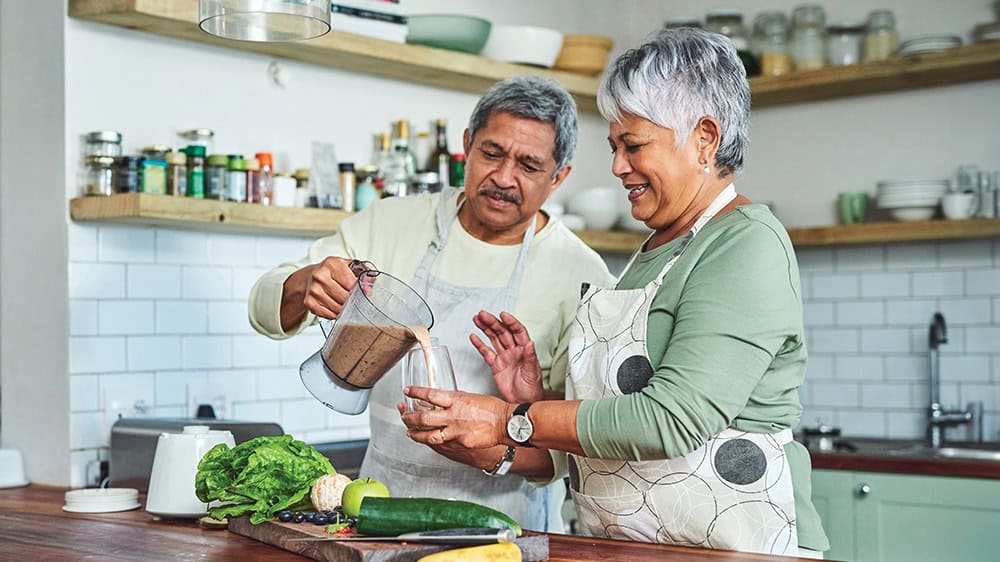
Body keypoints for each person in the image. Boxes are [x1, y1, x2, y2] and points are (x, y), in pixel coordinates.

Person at [399, 28, 829, 558]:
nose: (618, 166)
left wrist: (504, 418)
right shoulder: (654, 253)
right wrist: (532, 397)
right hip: (631, 547)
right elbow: (610, 425)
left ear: (704, 139)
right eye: (614, 146)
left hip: (733, 548)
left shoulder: (746, 245)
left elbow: (671, 420)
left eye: (634, 145)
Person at [248, 75, 614, 532]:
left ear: (559, 176)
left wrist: (487, 449)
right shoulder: (390, 223)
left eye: (529, 165)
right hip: (375, 515)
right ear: (466, 144)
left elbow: (572, 449)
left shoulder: (582, 275)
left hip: (505, 526)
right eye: (492, 153)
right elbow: (264, 306)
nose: (503, 177)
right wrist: (305, 284)